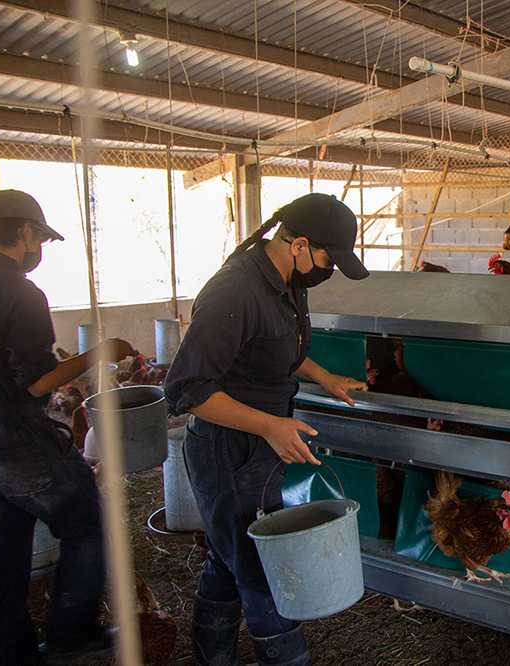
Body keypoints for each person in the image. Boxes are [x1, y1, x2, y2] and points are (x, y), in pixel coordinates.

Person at [164, 193, 369, 665]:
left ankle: (210, 657)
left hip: (257, 448)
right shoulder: (235, 291)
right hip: (227, 450)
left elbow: (282, 349)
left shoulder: (286, 282)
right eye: (326, 258)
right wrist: (271, 426)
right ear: (298, 244)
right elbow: (186, 389)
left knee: (226, 555)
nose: (328, 269)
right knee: (264, 572)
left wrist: (325, 377)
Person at [0, 189, 135, 665]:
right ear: (24, 232)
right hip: (18, 435)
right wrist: (100, 354)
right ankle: (71, 637)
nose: (39, 247)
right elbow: (36, 383)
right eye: (39, 236)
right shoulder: (20, 292)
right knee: (89, 522)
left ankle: (2, 653)